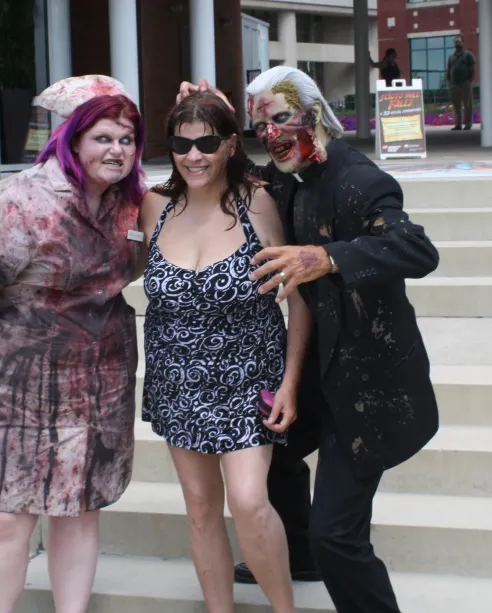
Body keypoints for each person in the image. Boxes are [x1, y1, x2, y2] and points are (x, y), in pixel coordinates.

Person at [178, 66, 440, 613]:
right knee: (270, 448)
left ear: (316, 113)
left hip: (367, 385)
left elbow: (417, 249)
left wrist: (327, 257)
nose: (271, 134)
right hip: (312, 367)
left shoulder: (358, 179)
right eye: (261, 126)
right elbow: (237, 170)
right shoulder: (291, 174)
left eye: (281, 117)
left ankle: (333, 567)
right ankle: (298, 553)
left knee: (338, 534)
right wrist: (215, 119)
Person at [0, 75, 145, 613]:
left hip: (100, 383)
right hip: (16, 385)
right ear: (73, 140)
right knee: (7, 513)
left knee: (80, 507)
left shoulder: (134, 205)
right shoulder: (18, 200)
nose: (117, 150)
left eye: (127, 139)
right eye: (103, 138)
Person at [138, 91, 314, 613]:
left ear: (230, 145)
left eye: (207, 143)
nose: (193, 156)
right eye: (181, 144)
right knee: (199, 508)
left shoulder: (256, 203)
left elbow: (298, 301)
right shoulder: (153, 205)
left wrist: (290, 382)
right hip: (177, 381)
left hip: (247, 376)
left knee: (250, 501)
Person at [447, 35, 476, 130]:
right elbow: (449, 69)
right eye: (456, 42)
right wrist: (449, 81)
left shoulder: (468, 55)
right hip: (454, 84)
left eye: (459, 42)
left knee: (467, 104)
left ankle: (468, 124)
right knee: (456, 105)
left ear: (463, 43)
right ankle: (458, 125)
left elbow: (473, 67)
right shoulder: (451, 57)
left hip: (465, 83)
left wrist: (470, 79)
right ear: (454, 44)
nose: (458, 44)